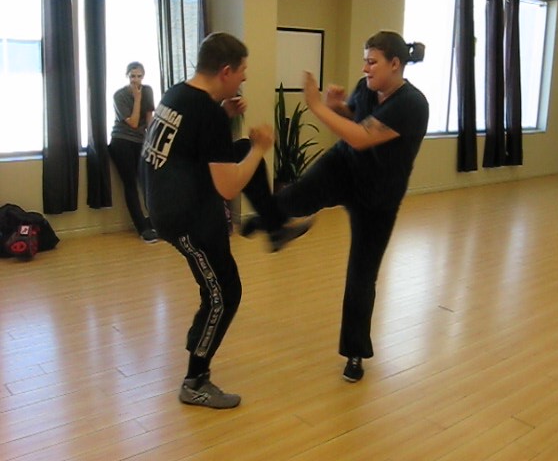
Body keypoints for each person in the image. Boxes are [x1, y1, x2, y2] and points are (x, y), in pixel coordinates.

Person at [247, 31, 429, 382]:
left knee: (362, 275)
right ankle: (272, 223)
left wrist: (316, 106)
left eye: (372, 62)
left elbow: (362, 137)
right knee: (296, 196)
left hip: (378, 198)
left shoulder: (412, 104)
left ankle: (355, 353)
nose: (365, 68)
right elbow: (356, 119)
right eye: (365, 61)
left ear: (395, 64)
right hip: (344, 167)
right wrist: (336, 107)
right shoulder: (367, 87)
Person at [140, 32, 309, 409]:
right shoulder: (208, 114)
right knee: (224, 294)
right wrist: (262, 147)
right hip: (185, 217)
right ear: (226, 71)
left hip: (173, 196)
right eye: (243, 71)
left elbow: (192, 139)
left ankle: (274, 227)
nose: (245, 78)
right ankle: (195, 381)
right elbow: (229, 187)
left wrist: (228, 119)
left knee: (242, 148)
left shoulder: (179, 93)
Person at [109, 62, 158, 243]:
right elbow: (134, 123)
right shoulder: (119, 96)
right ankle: (142, 228)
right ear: (127, 77)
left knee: (147, 181)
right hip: (121, 141)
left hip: (140, 142)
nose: (136, 80)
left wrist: (152, 143)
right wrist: (137, 99)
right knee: (130, 184)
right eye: (132, 76)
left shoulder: (148, 90)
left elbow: (149, 120)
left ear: (143, 76)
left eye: (139, 76)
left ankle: (155, 222)